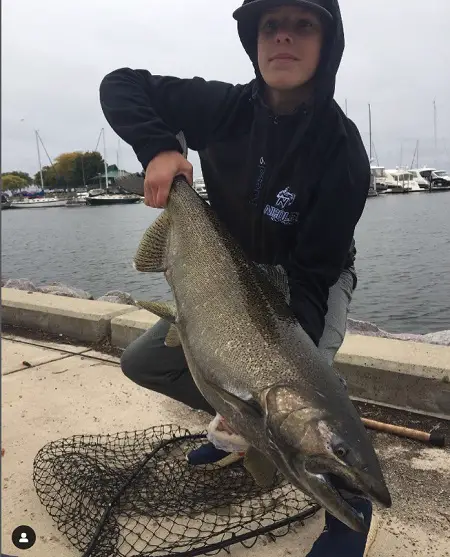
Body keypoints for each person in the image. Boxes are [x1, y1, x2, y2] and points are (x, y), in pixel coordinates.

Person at [99, 1, 373, 554]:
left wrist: (278, 364)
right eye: (271, 26)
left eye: (303, 26)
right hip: (225, 269)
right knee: (143, 362)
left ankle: (349, 499)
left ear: (329, 44)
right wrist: (158, 149)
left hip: (308, 280)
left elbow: (313, 274)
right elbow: (120, 84)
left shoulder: (342, 152)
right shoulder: (223, 106)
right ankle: (252, 433)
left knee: (308, 382)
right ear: (254, 39)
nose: (284, 39)